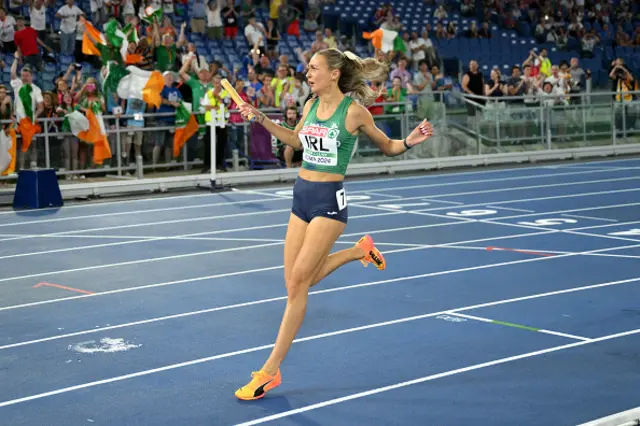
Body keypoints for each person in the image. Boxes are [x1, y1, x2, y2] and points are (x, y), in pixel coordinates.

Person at [233, 48, 434, 401]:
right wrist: (262, 118)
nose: (307, 73)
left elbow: (387, 146)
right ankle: (360, 250)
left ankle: (270, 370)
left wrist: (409, 141)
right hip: (301, 196)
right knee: (293, 282)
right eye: (308, 68)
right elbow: (295, 141)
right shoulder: (310, 106)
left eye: (314, 68)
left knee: (298, 285)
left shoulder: (353, 111)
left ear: (334, 74)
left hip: (328, 203)